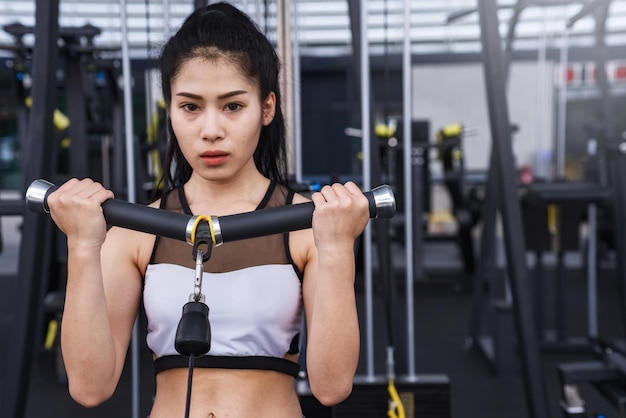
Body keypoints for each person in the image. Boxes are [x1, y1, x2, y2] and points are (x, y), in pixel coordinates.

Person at [46, 2, 370, 417]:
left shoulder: (308, 225)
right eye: (190, 107)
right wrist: (82, 245)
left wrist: (339, 247)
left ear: (266, 108)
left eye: (233, 106)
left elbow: (331, 387)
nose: (211, 130)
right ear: (171, 110)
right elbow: (90, 388)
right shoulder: (136, 231)